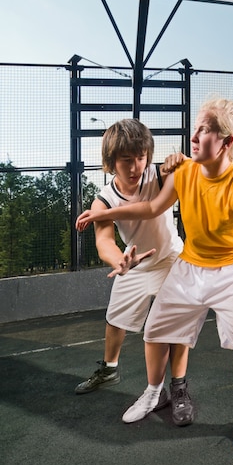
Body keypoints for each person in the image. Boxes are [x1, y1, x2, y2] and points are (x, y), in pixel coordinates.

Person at [76, 98, 233, 424]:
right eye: (195, 128)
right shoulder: (184, 171)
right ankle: (155, 393)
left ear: (228, 142)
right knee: (154, 331)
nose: (194, 135)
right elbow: (151, 208)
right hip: (191, 263)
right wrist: (107, 214)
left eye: (205, 130)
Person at [75, 118, 194, 427]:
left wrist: (179, 160)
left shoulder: (158, 174)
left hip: (170, 258)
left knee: (173, 325)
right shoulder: (103, 199)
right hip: (135, 263)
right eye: (127, 160)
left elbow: (169, 186)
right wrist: (120, 261)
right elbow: (104, 242)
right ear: (110, 162)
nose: (136, 166)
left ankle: (178, 388)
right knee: (115, 320)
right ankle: (110, 369)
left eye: (141, 157)